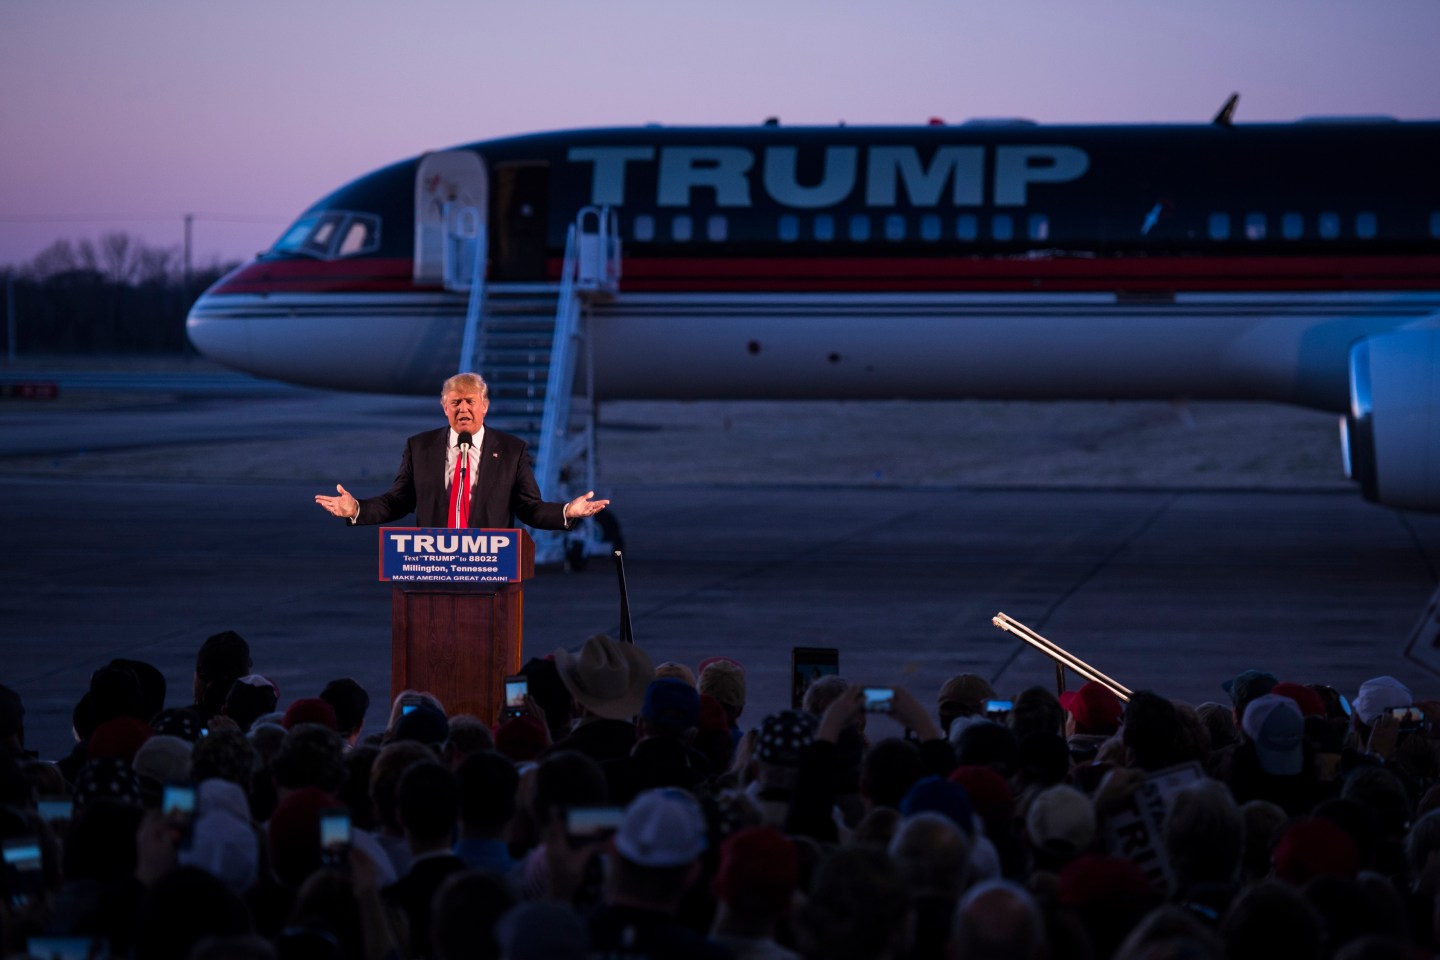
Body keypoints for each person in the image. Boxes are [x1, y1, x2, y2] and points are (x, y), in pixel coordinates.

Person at [313, 371, 608, 528]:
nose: (463, 409)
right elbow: (397, 502)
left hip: (490, 573)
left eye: (470, 402)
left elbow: (529, 508)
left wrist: (568, 511)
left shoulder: (511, 450)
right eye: (456, 402)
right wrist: (358, 509)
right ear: (444, 407)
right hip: (433, 570)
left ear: (485, 407)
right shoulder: (420, 447)